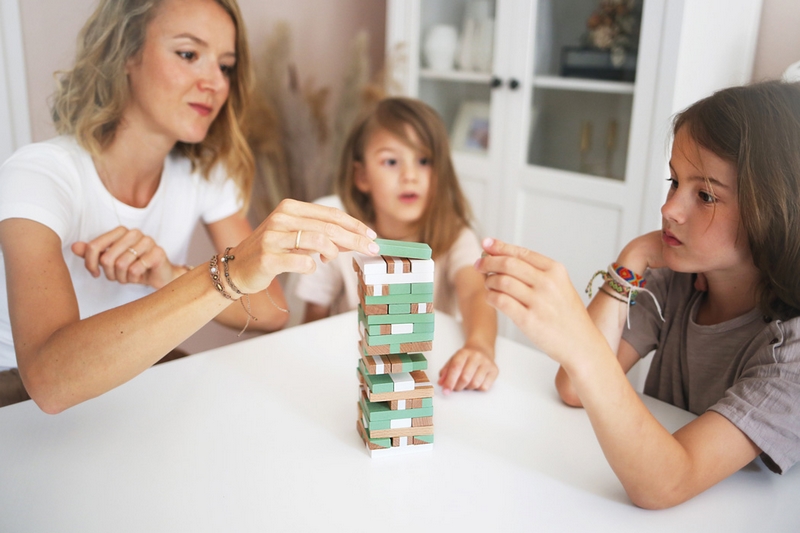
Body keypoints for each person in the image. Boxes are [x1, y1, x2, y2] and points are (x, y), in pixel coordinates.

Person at [0, 0, 379, 413]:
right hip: (17, 391)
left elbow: (272, 311)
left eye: (225, 66)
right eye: (188, 54)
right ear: (125, 55)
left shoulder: (202, 171)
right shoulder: (38, 175)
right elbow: (49, 380)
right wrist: (228, 273)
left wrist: (169, 275)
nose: (214, 82)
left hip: (138, 372)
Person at [474, 80, 800, 509]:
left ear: (774, 211)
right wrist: (633, 257)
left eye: (704, 195)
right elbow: (572, 387)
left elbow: (666, 483)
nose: (669, 209)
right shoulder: (676, 283)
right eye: (674, 182)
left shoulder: (788, 351)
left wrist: (576, 337)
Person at [295, 97, 498, 394]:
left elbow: (474, 291)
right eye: (391, 161)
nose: (410, 176)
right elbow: (311, 323)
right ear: (362, 176)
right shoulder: (336, 233)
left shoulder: (453, 234)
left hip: (423, 375)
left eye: (424, 161)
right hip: (346, 378)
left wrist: (479, 346)